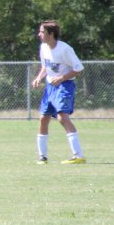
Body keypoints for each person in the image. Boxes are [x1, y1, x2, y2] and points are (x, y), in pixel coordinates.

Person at [30, 20, 86, 165]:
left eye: (42, 32)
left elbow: (79, 68)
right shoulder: (43, 47)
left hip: (65, 86)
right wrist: (38, 78)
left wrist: (61, 78)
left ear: (51, 33)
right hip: (50, 87)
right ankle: (43, 157)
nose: (39, 34)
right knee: (43, 118)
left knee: (62, 118)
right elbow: (45, 66)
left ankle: (78, 156)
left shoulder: (65, 49)